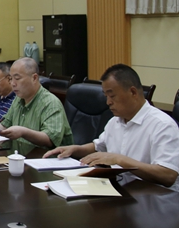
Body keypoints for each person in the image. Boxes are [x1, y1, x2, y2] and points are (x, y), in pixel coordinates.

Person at [44, 64, 179, 190]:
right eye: (106, 96)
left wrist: (120, 160)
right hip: (119, 190)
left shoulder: (162, 125)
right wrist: (74, 149)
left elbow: (168, 175)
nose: (108, 102)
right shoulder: (115, 121)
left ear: (133, 92)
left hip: (152, 198)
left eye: (112, 96)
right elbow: (99, 146)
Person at [0, 57, 73, 148]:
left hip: (45, 160)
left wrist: (24, 132)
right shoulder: (18, 99)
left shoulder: (50, 103)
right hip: (21, 155)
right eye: (11, 79)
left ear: (34, 78)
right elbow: (4, 125)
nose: (13, 83)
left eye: (17, 78)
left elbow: (50, 139)